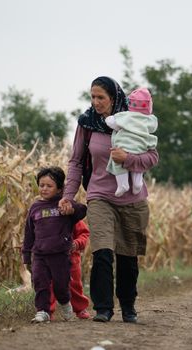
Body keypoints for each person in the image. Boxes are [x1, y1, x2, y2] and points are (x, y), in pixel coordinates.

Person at [59, 76, 159, 323]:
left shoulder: (134, 120)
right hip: (100, 195)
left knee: (128, 256)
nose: (95, 102)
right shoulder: (87, 123)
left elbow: (152, 157)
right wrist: (68, 196)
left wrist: (128, 159)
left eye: (101, 97)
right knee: (102, 251)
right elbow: (76, 161)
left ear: (114, 98)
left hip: (133, 199)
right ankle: (103, 308)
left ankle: (128, 307)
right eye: (92, 97)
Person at [22, 166, 87, 323]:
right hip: (39, 254)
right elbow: (29, 234)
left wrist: (71, 208)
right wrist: (26, 256)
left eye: (49, 186)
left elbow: (83, 210)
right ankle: (42, 311)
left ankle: (65, 304)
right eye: (41, 185)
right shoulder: (35, 208)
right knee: (40, 283)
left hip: (60, 255)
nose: (44, 189)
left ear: (59, 189)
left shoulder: (64, 205)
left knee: (61, 285)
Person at [105, 87, 158, 197]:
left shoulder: (125, 116)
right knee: (138, 167)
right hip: (141, 145)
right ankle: (137, 183)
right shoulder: (150, 119)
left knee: (117, 161)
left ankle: (123, 184)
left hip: (124, 145)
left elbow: (112, 122)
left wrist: (109, 119)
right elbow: (152, 128)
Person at [50, 220, 90, 320]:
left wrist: (77, 243)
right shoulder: (45, 213)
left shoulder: (73, 215)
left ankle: (80, 308)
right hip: (50, 256)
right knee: (49, 284)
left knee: (74, 284)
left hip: (71, 256)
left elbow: (84, 233)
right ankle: (47, 310)